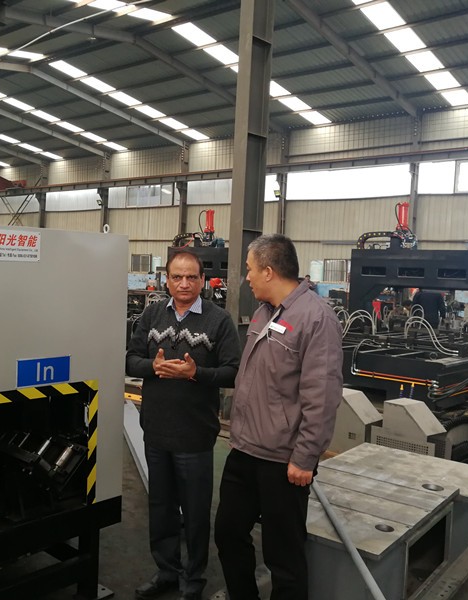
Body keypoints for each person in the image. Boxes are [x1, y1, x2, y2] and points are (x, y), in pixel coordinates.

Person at [214, 234, 343, 600]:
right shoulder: (263, 312)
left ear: (268, 271)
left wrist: (305, 457)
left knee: (283, 555)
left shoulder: (316, 318)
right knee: (228, 533)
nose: (247, 277)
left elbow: (322, 396)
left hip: (283, 461)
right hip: (245, 449)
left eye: (250, 270)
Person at [127, 249, 241, 600]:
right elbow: (131, 359)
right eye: (177, 277)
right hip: (156, 431)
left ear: (202, 281)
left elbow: (233, 372)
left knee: (194, 513)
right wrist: (153, 367)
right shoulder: (152, 314)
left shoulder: (219, 321)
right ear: (167, 280)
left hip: (194, 435)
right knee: (161, 508)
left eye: (192, 277)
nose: (184, 283)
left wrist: (196, 373)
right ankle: (166, 571)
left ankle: (193, 579)